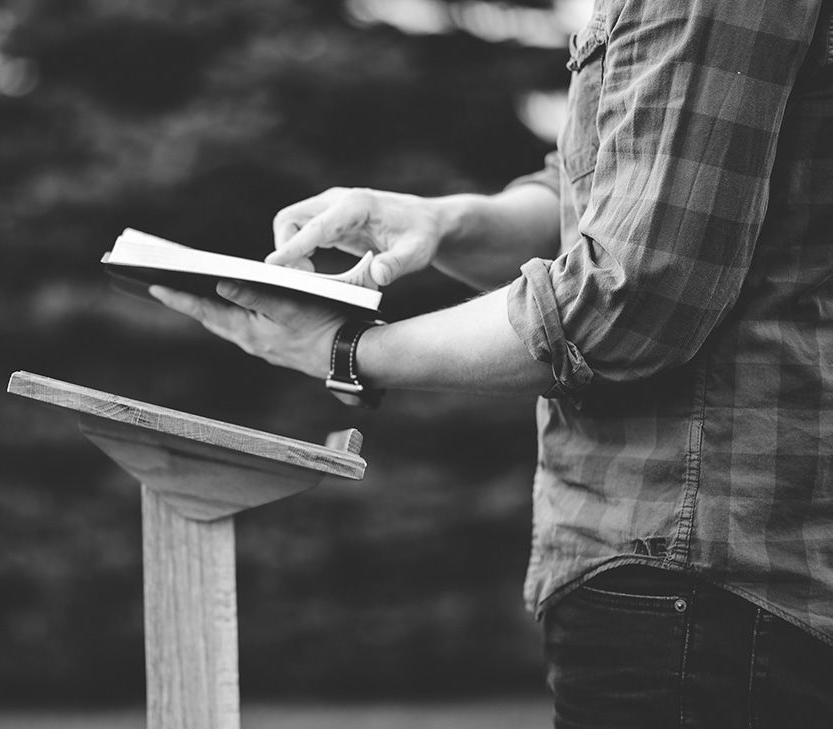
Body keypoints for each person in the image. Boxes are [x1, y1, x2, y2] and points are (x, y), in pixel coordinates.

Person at [150, 0, 833, 725]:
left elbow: (629, 301)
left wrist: (350, 349)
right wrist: (444, 222)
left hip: (701, 574)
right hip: (699, 575)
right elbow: (612, 195)